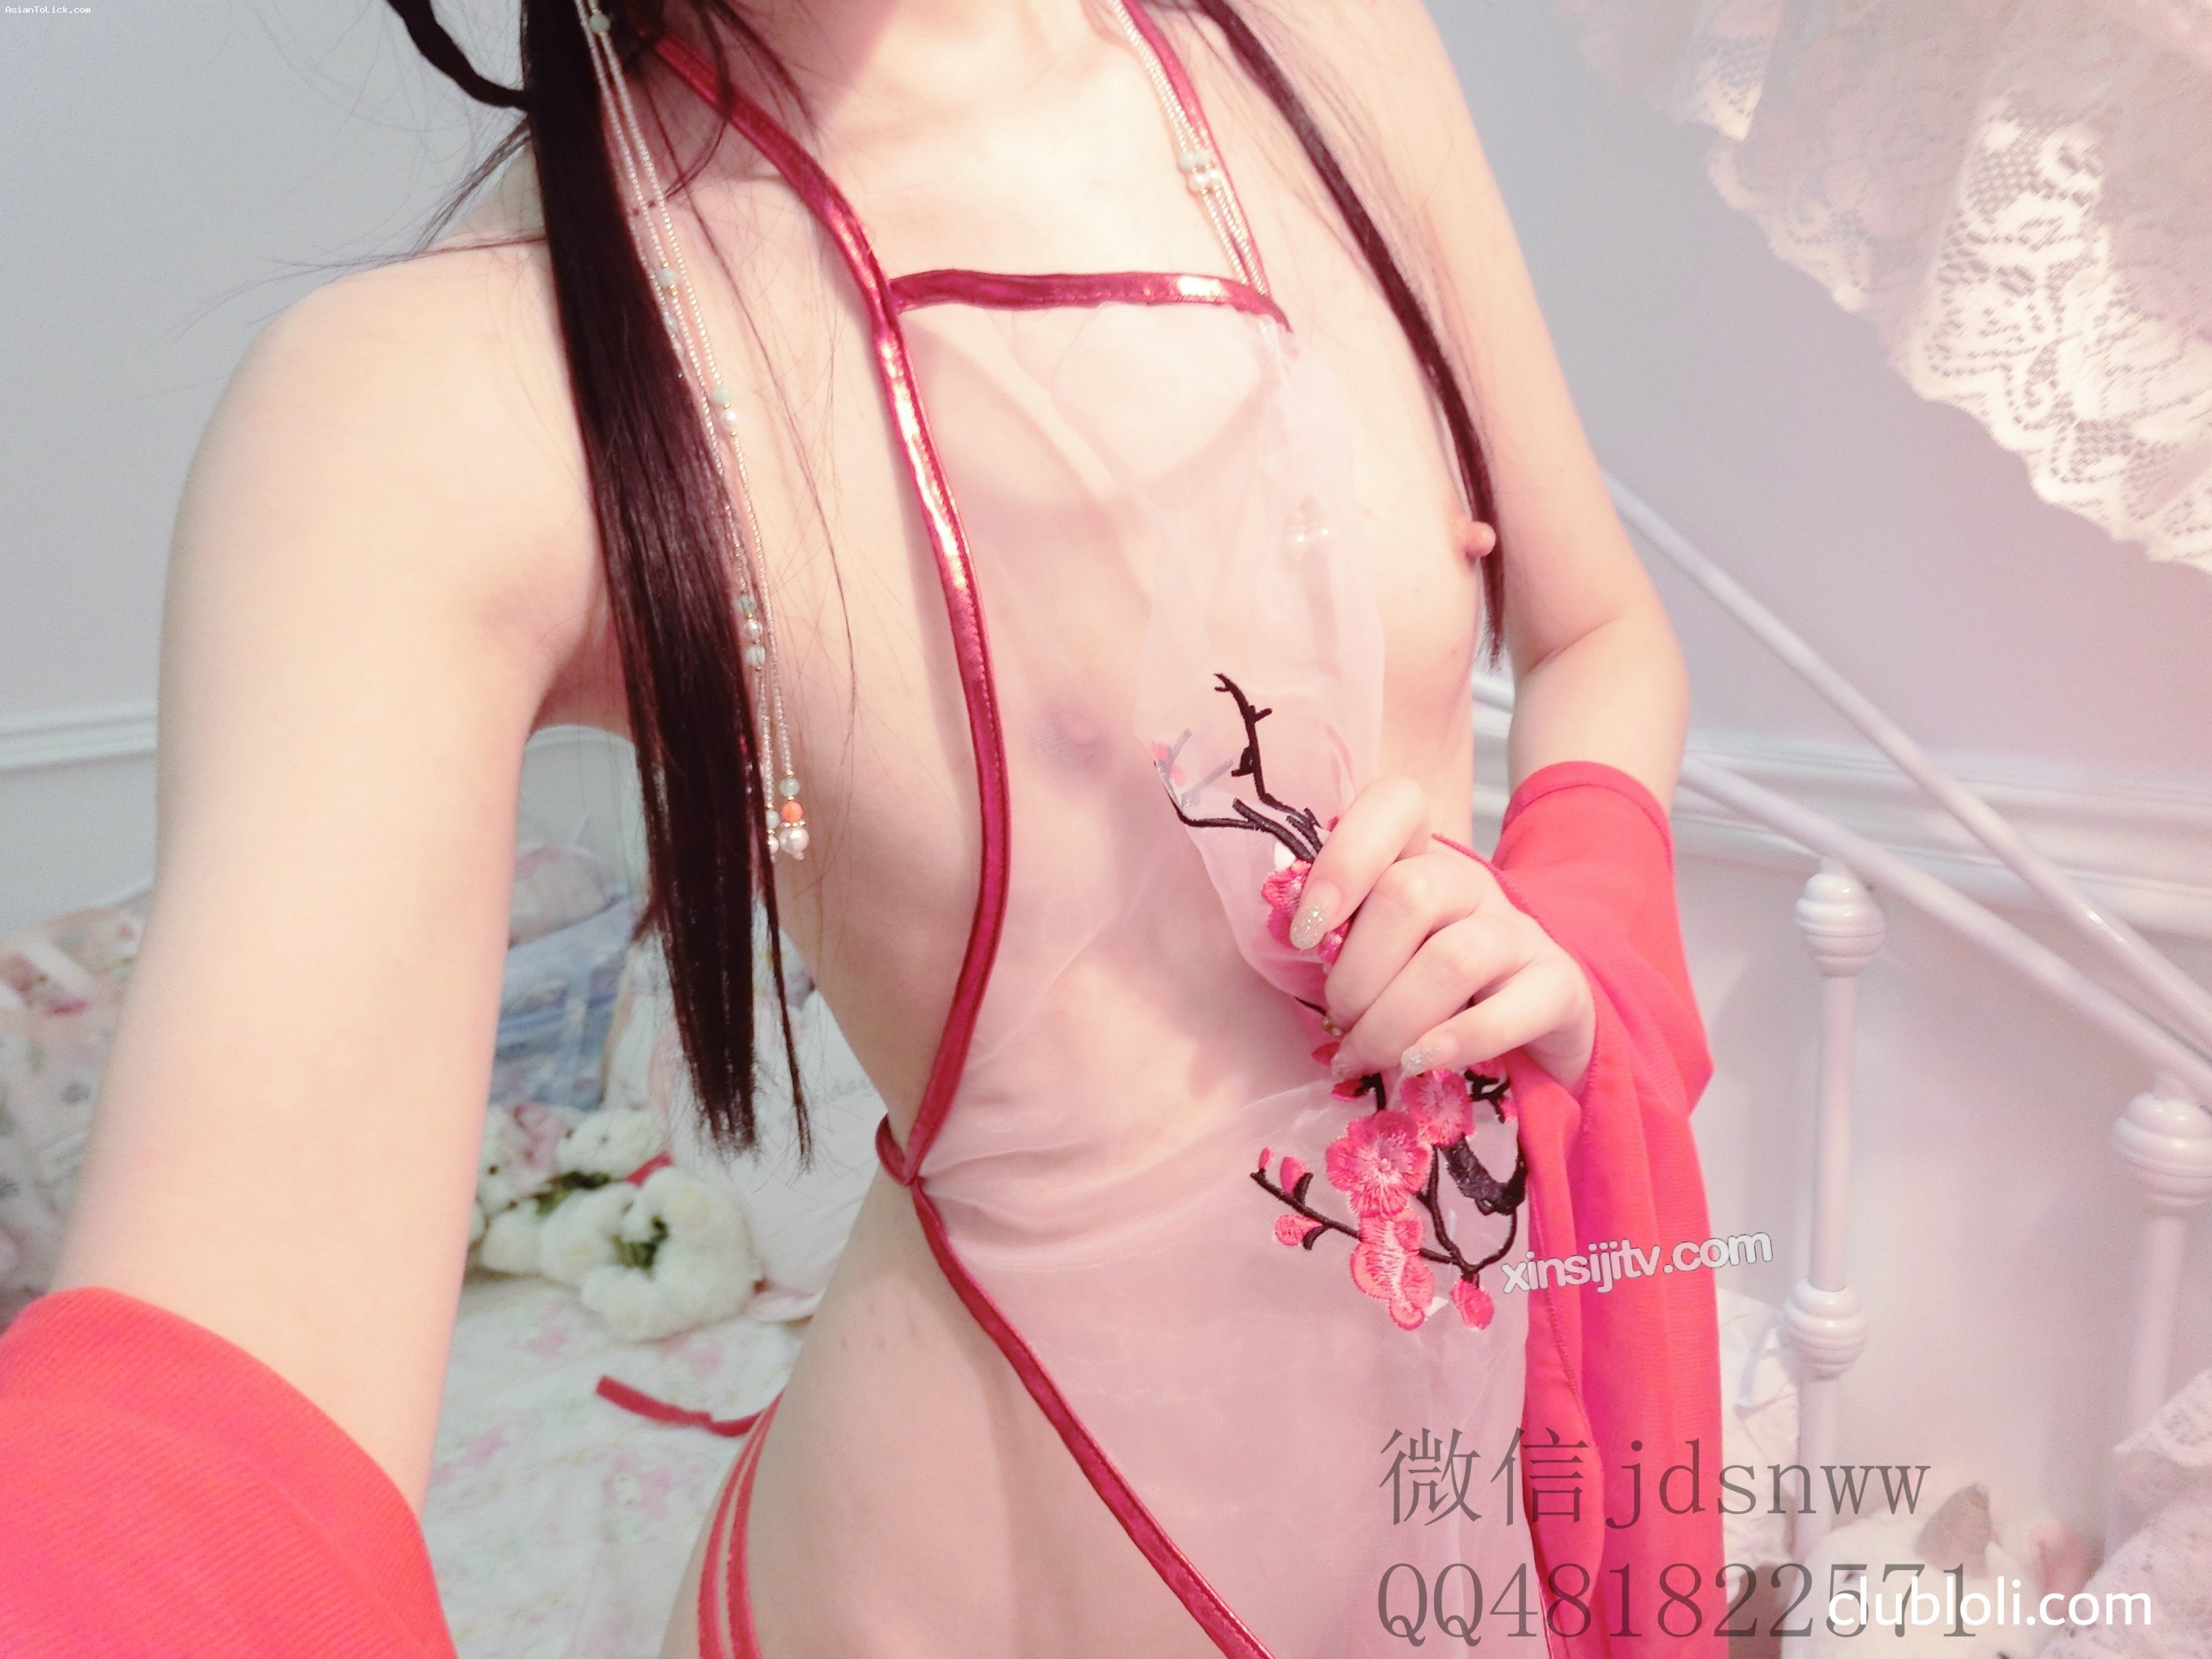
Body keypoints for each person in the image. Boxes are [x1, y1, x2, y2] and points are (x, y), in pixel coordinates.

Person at [0, 1, 1723, 1653]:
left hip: (1466, 1503)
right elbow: (198, 1434)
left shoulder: (1322, 50)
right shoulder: (450, 393)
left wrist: (1560, 928)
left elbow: (1596, 637)